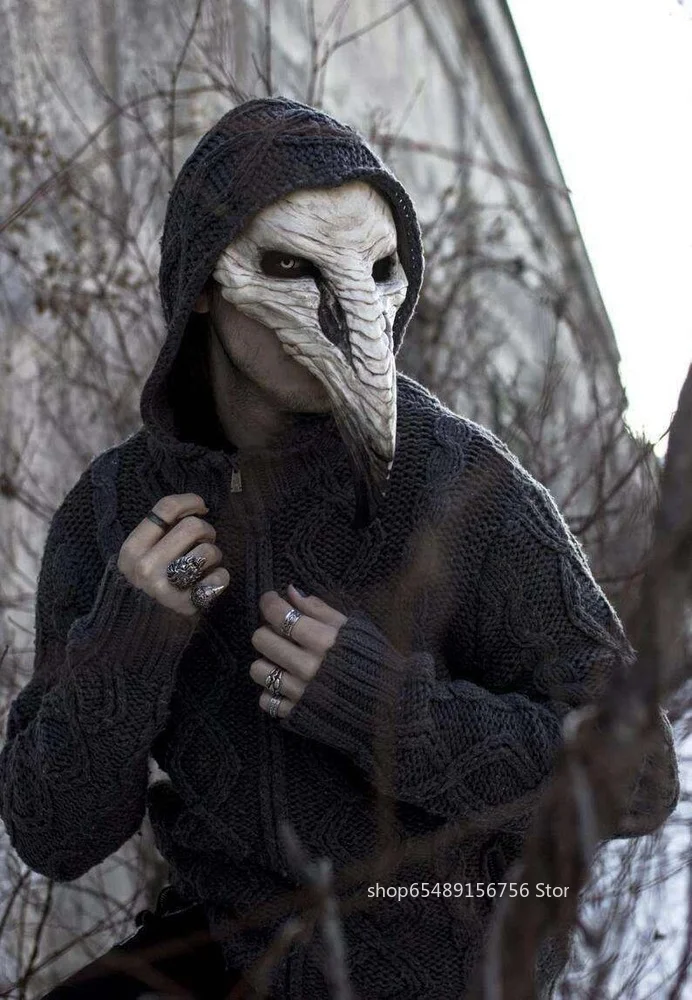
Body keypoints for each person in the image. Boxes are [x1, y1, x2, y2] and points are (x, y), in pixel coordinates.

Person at [0, 97, 679, 1000]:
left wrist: (386, 709)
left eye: (379, 271)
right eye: (290, 267)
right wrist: (128, 645)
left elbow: (641, 777)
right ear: (203, 279)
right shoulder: (114, 509)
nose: (350, 319)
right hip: (226, 948)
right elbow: (53, 836)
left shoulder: (463, 486)